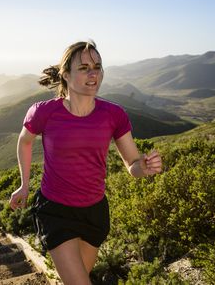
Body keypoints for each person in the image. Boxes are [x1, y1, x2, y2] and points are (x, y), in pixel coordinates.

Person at [9, 40, 162, 285]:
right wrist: (24, 184)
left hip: (94, 212)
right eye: (84, 68)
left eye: (97, 66)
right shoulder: (44, 112)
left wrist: (143, 167)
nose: (93, 73)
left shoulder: (114, 115)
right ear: (66, 75)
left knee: (79, 277)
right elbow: (24, 141)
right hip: (55, 211)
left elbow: (132, 164)